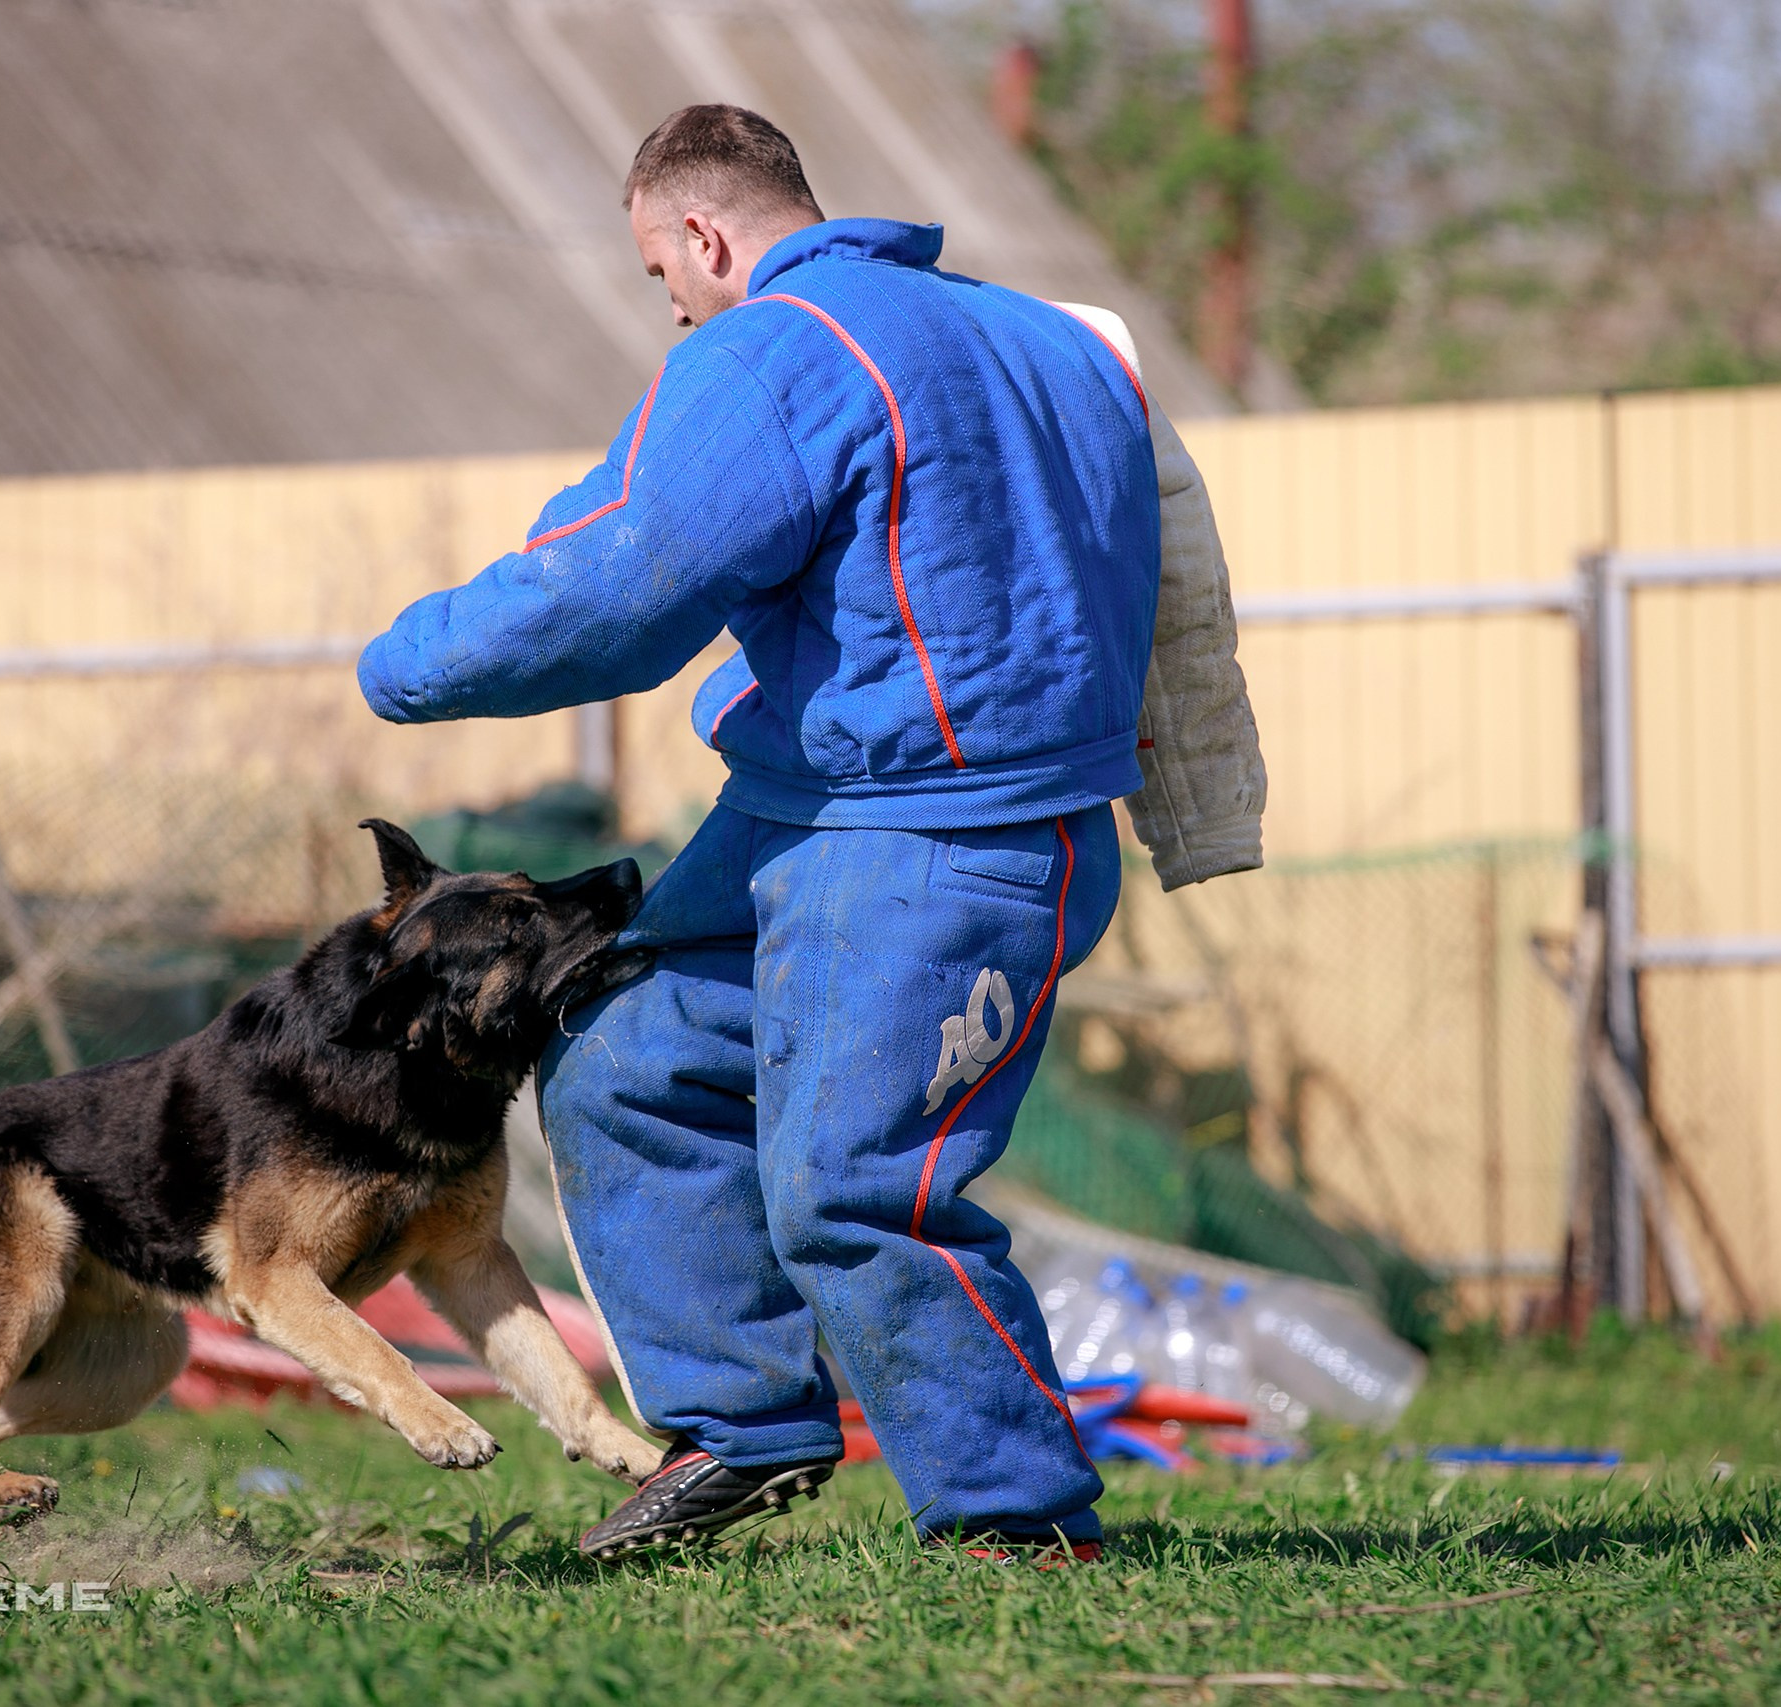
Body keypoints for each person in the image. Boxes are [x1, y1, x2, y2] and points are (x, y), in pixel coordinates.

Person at [358, 104, 1263, 1565]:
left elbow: (612, 579)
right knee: (625, 1055)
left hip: (931, 847)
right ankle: (743, 1425)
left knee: (858, 1185)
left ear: (702, 235)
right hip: (823, 816)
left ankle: (1018, 1520)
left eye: (662, 273)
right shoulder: (1046, 340)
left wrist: (403, 665)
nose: (672, 304)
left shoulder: (780, 352)